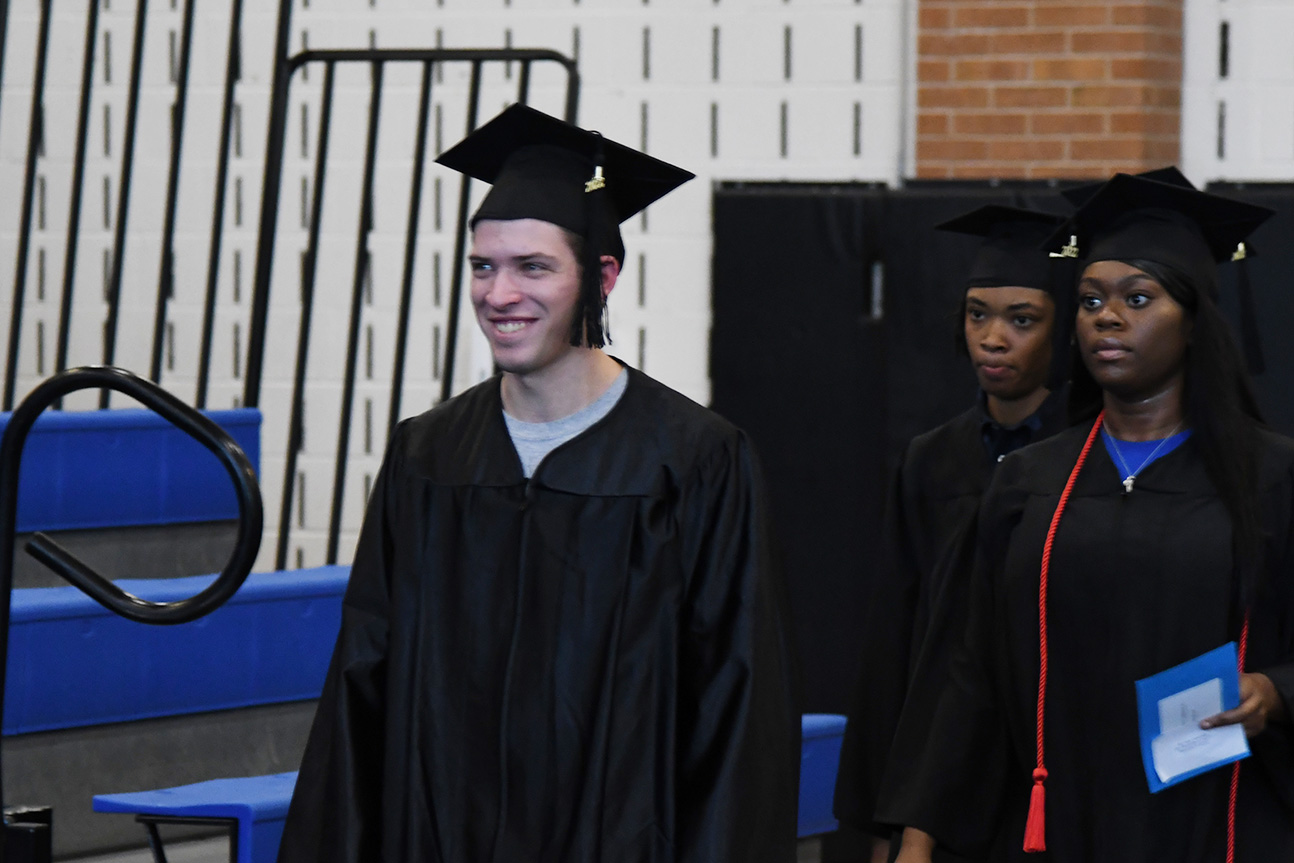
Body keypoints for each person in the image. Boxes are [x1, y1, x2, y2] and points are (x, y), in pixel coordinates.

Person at [277, 104, 799, 862]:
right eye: (483, 266)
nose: (499, 294)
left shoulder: (694, 461)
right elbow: (364, 688)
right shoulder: (428, 457)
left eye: (533, 267)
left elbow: (736, 708)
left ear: (603, 277)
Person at [879, 172, 1294, 863]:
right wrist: (918, 837)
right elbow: (970, 673)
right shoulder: (1028, 484)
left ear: (1193, 320)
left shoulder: (1272, 479)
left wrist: (1274, 688)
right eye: (1091, 299)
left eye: (1138, 299)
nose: (1107, 316)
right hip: (1060, 818)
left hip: (1215, 818)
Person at [833, 205, 1072, 862]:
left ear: (1062, 331)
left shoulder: (1085, 459)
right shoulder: (934, 460)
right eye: (977, 314)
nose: (993, 338)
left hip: (1047, 760)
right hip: (940, 771)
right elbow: (898, 640)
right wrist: (888, 818)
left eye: (1022, 319)